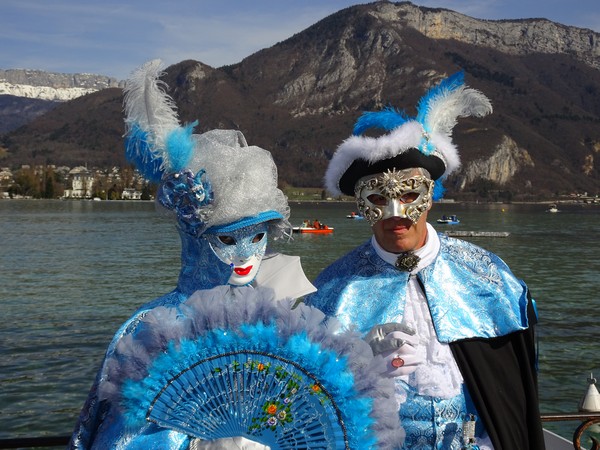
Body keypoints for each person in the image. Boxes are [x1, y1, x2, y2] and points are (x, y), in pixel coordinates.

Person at [69, 60, 402, 450]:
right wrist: (198, 444)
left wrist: (361, 356)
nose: (246, 254)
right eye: (228, 240)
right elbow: (119, 440)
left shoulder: (277, 318)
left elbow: (311, 411)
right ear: (197, 240)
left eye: (257, 235)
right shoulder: (153, 329)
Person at [304, 72, 545, 450]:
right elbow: (309, 407)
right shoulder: (333, 291)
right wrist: (355, 368)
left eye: (409, 195)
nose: (395, 213)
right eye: (378, 200)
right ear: (361, 205)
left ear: (430, 197)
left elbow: (513, 390)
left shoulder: (487, 277)